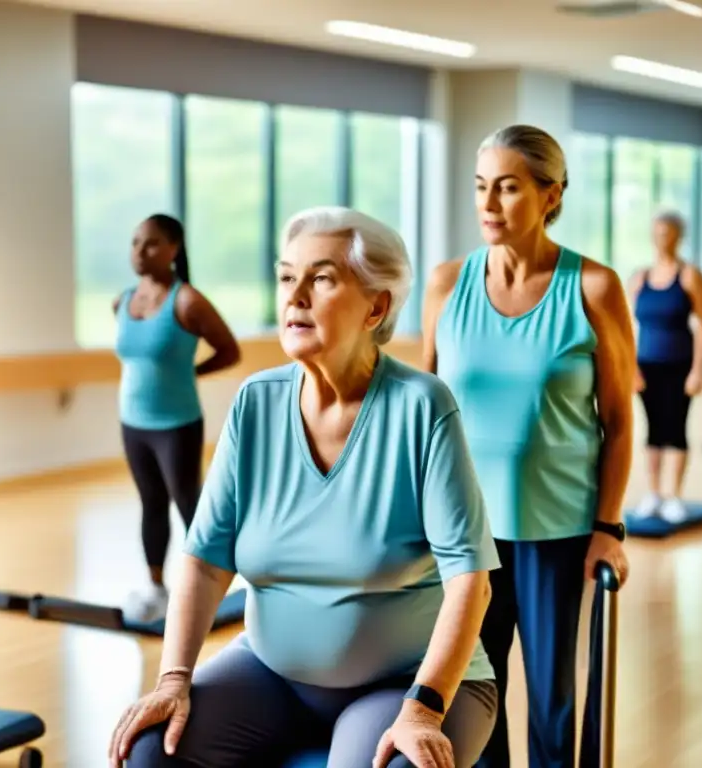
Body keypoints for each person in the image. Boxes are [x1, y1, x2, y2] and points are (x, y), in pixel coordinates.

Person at [108, 206, 500, 768]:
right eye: (287, 276)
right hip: (271, 674)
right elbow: (204, 561)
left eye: (320, 278)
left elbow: (471, 583)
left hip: (407, 682)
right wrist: (173, 679)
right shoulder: (256, 403)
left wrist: (424, 708)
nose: (295, 297)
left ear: (377, 305)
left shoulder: (422, 407)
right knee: (149, 751)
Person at [423, 124, 634, 768]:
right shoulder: (446, 284)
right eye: (481, 187)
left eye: (508, 188)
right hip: (465, 535)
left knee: (551, 701)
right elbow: (422, 411)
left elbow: (620, 421)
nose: (489, 204)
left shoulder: (593, 288)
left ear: (551, 196)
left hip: (558, 531)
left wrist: (609, 527)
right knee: (474, 692)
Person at [114, 214, 240, 623]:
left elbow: (229, 350)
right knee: (150, 503)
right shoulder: (122, 301)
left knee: (191, 505)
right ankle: (155, 586)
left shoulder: (187, 301)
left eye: (150, 243)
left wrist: (192, 374)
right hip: (133, 423)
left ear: (174, 249)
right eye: (135, 242)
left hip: (177, 424)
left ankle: (209, 584)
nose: (139, 251)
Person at [627, 210, 702, 523]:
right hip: (646, 365)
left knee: (676, 428)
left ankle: (674, 495)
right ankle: (654, 494)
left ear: (678, 236)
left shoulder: (689, 276)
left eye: (667, 232)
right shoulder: (639, 278)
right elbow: (626, 327)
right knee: (653, 429)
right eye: (657, 232)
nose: (662, 238)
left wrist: (698, 370)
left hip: (680, 364)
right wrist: (630, 367)